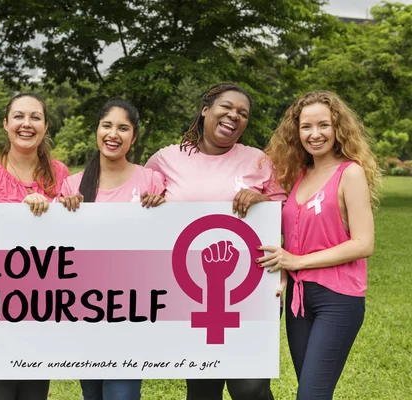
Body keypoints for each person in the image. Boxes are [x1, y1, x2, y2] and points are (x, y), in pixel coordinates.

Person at [145, 82, 286, 400]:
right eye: (227, 106)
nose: (234, 115)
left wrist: (262, 200)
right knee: (202, 389)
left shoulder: (258, 161)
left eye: (243, 113)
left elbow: (285, 216)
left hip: (251, 288)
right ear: (205, 109)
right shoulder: (167, 158)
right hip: (190, 292)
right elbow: (140, 202)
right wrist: (150, 203)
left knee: (250, 387)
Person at [259, 90, 380, 400]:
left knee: (310, 395)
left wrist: (297, 262)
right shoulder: (300, 174)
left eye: (323, 125)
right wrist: (284, 271)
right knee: (313, 392)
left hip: (338, 299)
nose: (315, 134)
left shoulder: (349, 173)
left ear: (337, 127)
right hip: (299, 301)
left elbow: (363, 243)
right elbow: (294, 238)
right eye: (306, 127)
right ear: (296, 130)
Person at [60, 99, 166, 400]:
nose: (113, 134)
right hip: (83, 310)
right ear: (97, 130)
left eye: (123, 128)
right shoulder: (72, 186)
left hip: (133, 312)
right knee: (91, 394)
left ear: (133, 136)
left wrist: (163, 209)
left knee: (122, 394)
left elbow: (166, 239)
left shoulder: (152, 181)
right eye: (107, 125)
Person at [0, 93, 69, 399]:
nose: (27, 124)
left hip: (43, 301)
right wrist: (20, 212)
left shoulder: (60, 172)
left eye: (35, 117)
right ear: (6, 123)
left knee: (34, 391)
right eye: (19, 116)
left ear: (46, 125)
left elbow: (70, 235)